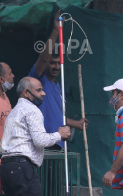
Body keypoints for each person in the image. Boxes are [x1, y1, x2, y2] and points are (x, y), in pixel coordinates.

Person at [0, 77, 71, 196]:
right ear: (26, 93)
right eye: (38, 90)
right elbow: (40, 140)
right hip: (22, 167)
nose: (43, 93)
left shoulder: (14, 111)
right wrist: (59, 134)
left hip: (7, 167)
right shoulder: (32, 110)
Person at [29, 11, 87, 150]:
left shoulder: (56, 85)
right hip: (42, 142)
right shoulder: (38, 81)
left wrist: (76, 124)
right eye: (52, 63)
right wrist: (56, 31)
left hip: (57, 142)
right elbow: (43, 58)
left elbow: (56, 115)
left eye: (58, 63)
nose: (56, 66)